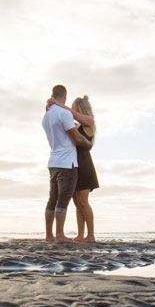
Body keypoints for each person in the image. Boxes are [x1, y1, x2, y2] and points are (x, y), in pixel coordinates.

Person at [41, 84, 89, 241]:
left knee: (52, 199)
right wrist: (87, 144)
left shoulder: (47, 115)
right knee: (63, 200)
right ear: (65, 97)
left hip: (53, 161)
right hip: (67, 163)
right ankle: (60, 234)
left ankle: (49, 235)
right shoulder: (64, 113)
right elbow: (76, 138)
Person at [69, 96, 99, 242]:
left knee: (83, 201)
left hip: (85, 164)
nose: (71, 109)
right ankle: (80, 235)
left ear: (80, 108)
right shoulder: (78, 125)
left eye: (74, 106)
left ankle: (91, 235)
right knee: (77, 202)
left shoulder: (89, 122)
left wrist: (57, 104)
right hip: (74, 165)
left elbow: (74, 115)